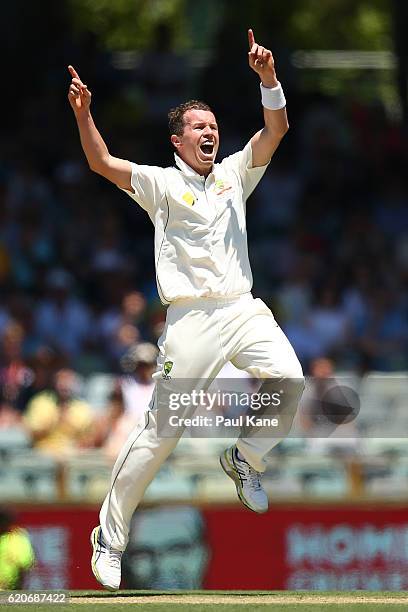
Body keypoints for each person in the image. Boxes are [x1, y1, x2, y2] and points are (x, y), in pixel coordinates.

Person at [68, 29, 304, 590]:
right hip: (192, 319)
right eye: (199, 127)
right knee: (163, 432)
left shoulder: (233, 174)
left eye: (214, 126)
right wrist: (83, 113)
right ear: (177, 141)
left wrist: (268, 79)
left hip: (242, 307)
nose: (211, 133)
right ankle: (110, 536)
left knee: (291, 381)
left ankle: (245, 457)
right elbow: (101, 163)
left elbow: (276, 131)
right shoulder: (160, 184)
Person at [0, 508, 35, 590]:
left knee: (69, 597)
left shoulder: (17, 539)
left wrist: (18, 593)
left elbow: (24, 568)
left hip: (9, 590)